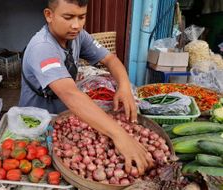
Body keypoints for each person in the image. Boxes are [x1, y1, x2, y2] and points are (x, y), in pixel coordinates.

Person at [19, 0, 153, 175]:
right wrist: (120, 136)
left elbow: (110, 59)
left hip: (65, 118)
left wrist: (124, 86)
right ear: (49, 15)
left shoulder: (78, 35)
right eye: (68, 17)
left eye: (81, 17)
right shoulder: (42, 48)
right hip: (37, 125)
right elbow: (70, 94)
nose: (76, 25)